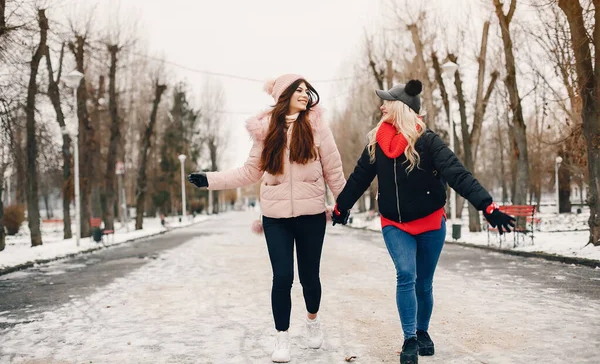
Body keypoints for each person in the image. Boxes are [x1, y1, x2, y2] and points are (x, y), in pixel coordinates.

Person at [331, 80, 514, 364]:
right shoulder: (376, 143)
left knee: (424, 283)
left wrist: (487, 206)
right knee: (406, 274)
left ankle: (423, 331)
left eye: (386, 102)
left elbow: (458, 174)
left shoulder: (428, 142)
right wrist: (342, 207)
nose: (381, 106)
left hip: (430, 223)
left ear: (400, 108)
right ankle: (410, 340)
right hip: (395, 223)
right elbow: (358, 179)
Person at [188, 74, 345, 363]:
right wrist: (209, 179)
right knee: (282, 277)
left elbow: (333, 170)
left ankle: (312, 321)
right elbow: (248, 172)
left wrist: (343, 204)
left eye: (305, 89)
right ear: (283, 95)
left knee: (309, 278)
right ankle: (282, 337)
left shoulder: (317, 127)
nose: (304, 93)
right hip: (276, 218)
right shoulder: (267, 131)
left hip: (311, 215)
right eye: (297, 89)